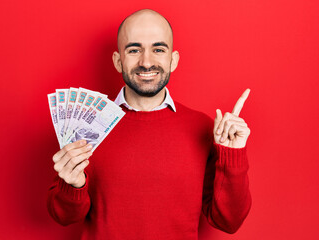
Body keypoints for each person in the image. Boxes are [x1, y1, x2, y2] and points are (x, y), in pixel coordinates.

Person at [47, 9, 251, 240]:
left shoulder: (202, 127)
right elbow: (63, 217)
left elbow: (228, 221)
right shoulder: (88, 125)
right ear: (117, 61)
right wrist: (73, 185)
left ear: (172, 60)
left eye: (158, 49)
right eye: (134, 50)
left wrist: (233, 155)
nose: (146, 62)